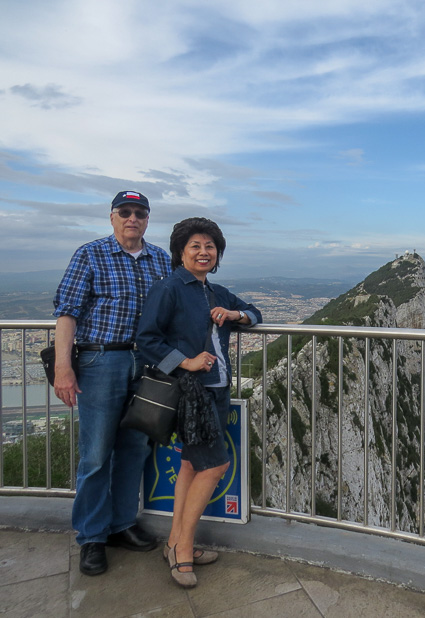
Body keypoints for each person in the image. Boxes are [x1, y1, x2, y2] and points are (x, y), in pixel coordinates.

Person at [136, 217, 262, 588]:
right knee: (215, 466)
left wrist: (236, 315)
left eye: (210, 247)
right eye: (196, 246)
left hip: (217, 390)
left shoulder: (216, 292)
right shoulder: (170, 288)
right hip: (192, 395)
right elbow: (147, 338)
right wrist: (185, 361)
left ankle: (174, 542)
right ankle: (183, 548)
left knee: (192, 465)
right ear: (181, 252)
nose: (204, 252)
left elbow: (255, 312)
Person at [53, 191, 172, 575]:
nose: (132, 218)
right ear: (112, 217)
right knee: (96, 453)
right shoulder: (90, 254)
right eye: (125, 212)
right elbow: (68, 311)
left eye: (139, 213)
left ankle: (121, 524)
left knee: (134, 446)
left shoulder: (160, 259)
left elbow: (175, 307)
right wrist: (63, 367)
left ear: (148, 219)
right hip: (100, 359)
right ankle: (91, 536)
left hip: (146, 362)